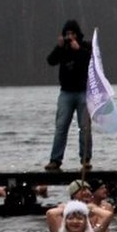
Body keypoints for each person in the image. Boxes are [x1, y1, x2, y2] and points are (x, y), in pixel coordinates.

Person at [45, 20, 93, 172]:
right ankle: (55, 160)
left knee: (84, 128)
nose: (70, 37)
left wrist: (78, 50)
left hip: (83, 92)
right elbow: (51, 61)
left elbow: (91, 61)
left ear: (77, 34)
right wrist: (58, 47)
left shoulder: (85, 46)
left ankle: (85, 160)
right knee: (61, 126)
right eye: (67, 34)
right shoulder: (63, 49)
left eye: (72, 34)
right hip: (66, 92)